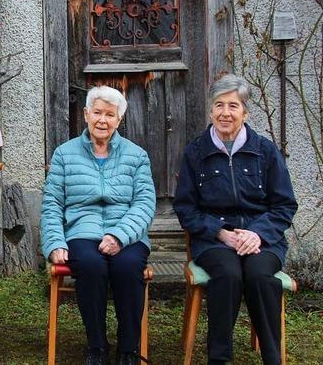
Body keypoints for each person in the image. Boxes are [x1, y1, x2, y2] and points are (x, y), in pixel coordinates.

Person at [174, 74, 297, 365]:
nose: (225, 113)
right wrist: (221, 232)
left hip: (262, 240)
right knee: (227, 275)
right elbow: (186, 209)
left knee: (259, 275)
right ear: (211, 110)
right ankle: (219, 358)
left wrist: (257, 234)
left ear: (245, 112)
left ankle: (272, 357)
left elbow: (284, 204)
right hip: (214, 240)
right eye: (219, 105)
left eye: (233, 105)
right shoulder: (195, 152)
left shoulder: (265, 151)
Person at [41, 86, 156, 365]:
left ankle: (128, 348)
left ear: (119, 120)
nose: (102, 120)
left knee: (128, 267)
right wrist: (55, 242)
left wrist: (119, 235)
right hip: (82, 231)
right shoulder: (64, 154)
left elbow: (144, 203)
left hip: (128, 234)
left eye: (110, 114)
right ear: (85, 114)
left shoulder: (137, 155)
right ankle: (97, 345)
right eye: (97, 113)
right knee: (91, 266)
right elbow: (52, 203)